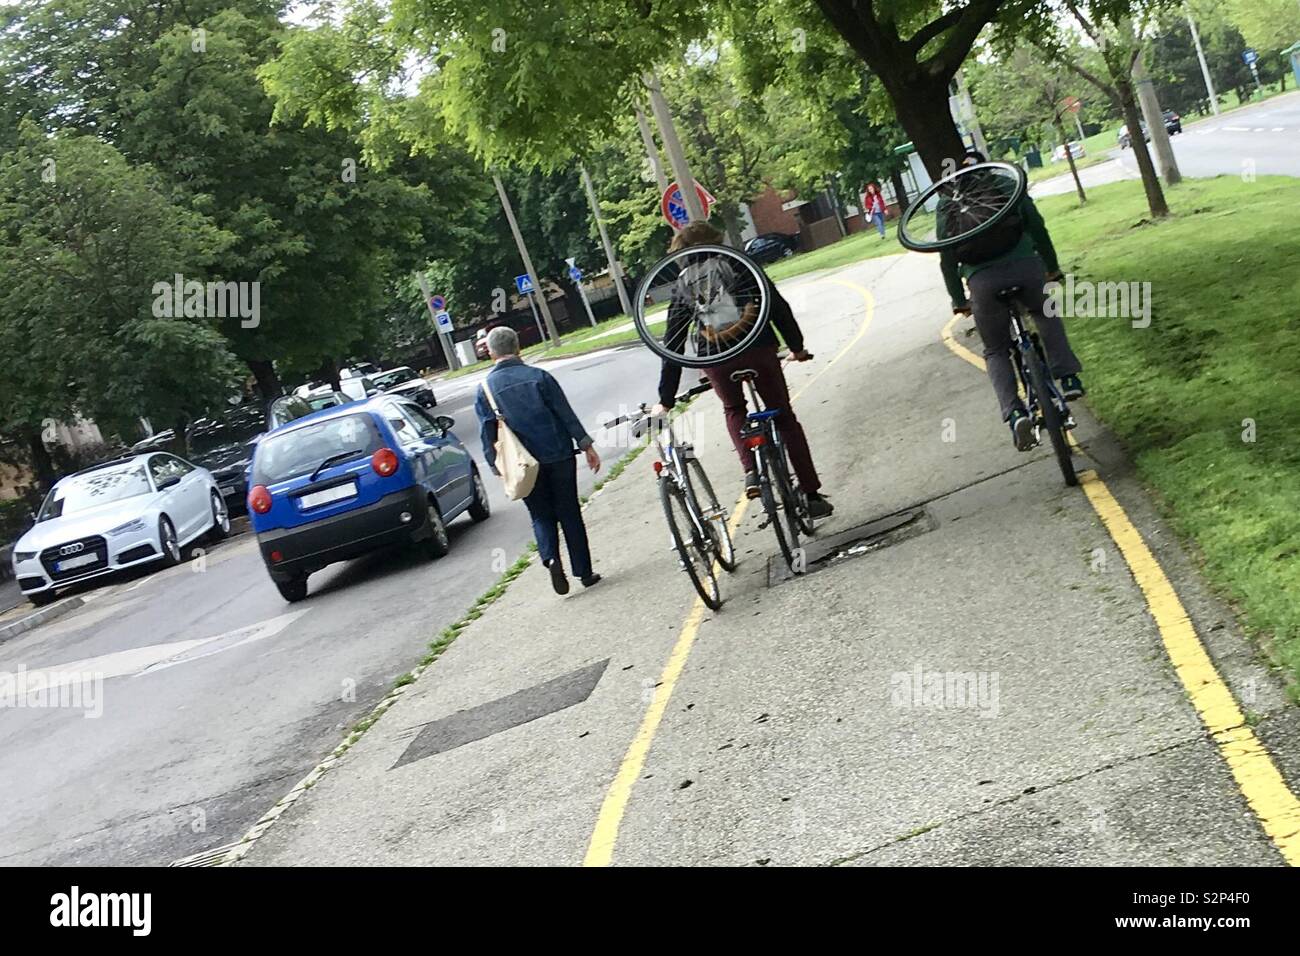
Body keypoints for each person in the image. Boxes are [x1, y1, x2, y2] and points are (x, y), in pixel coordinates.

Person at [652, 221, 833, 518]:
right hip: (757, 347)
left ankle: (751, 471)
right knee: (783, 416)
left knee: (734, 409)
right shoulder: (741, 265)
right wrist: (796, 347)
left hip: (716, 358)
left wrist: (666, 398)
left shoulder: (683, 283)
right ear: (716, 240)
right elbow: (777, 307)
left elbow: (673, 343)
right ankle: (811, 494)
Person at [939, 150, 1086, 451]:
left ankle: (1016, 412)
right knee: (1045, 315)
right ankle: (1068, 378)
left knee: (995, 349)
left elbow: (946, 258)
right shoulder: (1007, 185)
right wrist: (1051, 267)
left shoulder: (947, 203)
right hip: (1026, 269)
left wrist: (959, 299)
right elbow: (1037, 227)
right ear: (988, 168)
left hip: (982, 283)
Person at [474, 326, 602, 594]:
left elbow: (487, 432)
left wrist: (495, 465)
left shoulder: (485, 389)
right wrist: (585, 444)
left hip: (523, 464)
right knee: (569, 512)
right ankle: (585, 572)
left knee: (540, 515)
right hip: (558, 455)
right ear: (518, 347)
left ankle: (551, 558)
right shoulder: (539, 377)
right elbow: (564, 413)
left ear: (491, 353)